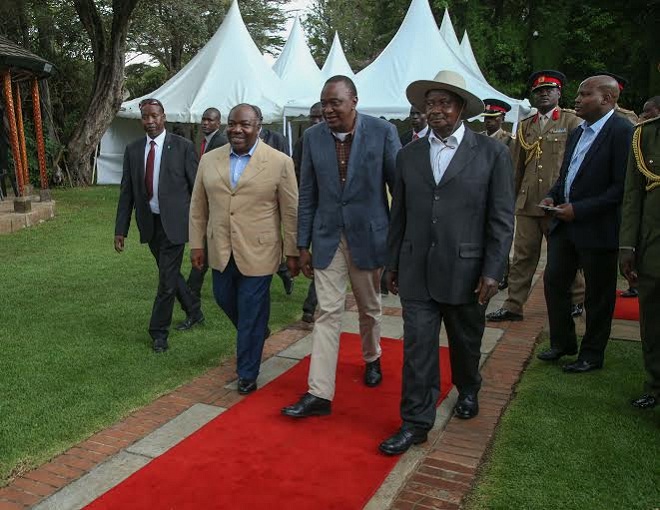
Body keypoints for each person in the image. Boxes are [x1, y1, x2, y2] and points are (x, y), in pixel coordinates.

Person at [378, 70, 514, 455]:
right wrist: (392, 263)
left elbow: (502, 218)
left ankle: (468, 388)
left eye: (443, 103)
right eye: (430, 103)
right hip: (417, 270)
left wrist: (493, 270)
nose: (435, 110)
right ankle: (415, 422)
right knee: (417, 350)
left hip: (467, 271)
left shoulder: (492, 153)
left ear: (461, 109)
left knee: (465, 344)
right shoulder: (408, 155)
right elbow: (399, 214)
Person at [281, 75, 401, 418]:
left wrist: (396, 243)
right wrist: (302, 243)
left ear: (354, 101)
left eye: (336, 102)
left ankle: (372, 356)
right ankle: (319, 392)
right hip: (328, 237)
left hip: (369, 236)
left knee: (369, 307)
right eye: (324, 102)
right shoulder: (312, 138)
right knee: (327, 312)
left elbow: (399, 189)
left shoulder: (382, 132)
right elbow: (307, 195)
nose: (328, 109)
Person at [189, 104, 299, 395]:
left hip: (260, 250)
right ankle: (256, 332)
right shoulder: (209, 160)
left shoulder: (279, 162)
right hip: (220, 248)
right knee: (223, 297)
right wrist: (197, 244)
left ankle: (247, 371)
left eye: (245, 124)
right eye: (233, 124)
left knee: (250, 310)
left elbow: (290, 211)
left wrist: (293, 252)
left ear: (258, 126)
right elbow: (198, 206)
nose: (237, 129)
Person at [538, 75, 633, 372]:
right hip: (565, 226)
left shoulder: (622, 131)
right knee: (554, 281)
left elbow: (621, 188)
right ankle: (563, 343)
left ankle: (591, 355)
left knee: (598, 295)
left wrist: (578, 210)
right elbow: (567, 173)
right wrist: (553, 196)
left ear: (607, 99)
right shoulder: (579, 131)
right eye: (578, 94)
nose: (576, 100)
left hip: (598, 228)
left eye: (585, 94)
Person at [487, 70, 585, 323]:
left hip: (559, 202)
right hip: (528, 201)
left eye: (548, 90)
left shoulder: (571, 121)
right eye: (538, 91)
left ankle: (576, 300)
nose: (543, 94)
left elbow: (579, 163)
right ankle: (513, 305)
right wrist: (510, 199)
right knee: (522, 256)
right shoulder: (526, 126)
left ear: (559, 93)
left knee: (564, 254)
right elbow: (517, 166)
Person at [114, 98, 203, 353]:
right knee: (171, 273)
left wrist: (199, 224)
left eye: (155, 116)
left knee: (166, 279)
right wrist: (121, 229)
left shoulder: (183, 147)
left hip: (175, 224)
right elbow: (126, 193)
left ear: (164, 117)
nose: (150, 121)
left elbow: (196, 189)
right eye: (145, 117)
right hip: (150, 224)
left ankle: (158, 332)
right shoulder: (133, 150)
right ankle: (194, 310)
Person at [619, 113, 660, 409]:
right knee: (653, 319)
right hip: (653, 245)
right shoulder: (644, 135)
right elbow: (633, 196)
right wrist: (627, 246)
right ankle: (655, 384)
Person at [186, 107, 228, 303]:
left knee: (207, 247)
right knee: (203, 246)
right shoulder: (201, 141)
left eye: (210, 120)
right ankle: (192, 288)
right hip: (204, 202)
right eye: (203, 119)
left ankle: (192, 289)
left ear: (218, 123)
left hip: (216, 205)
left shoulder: (222, 143)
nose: (205, 123)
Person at [252, 105, 295, 296]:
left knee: (270, 240)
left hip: (273, 198)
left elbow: (285, 168)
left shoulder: (276, 138)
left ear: (261, 120)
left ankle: (281, 271)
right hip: (251, 198)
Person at [292, 102, 324, 324]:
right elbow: (296, 170)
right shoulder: (305, 141)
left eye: (319, 117)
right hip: (308, 205)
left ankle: (310, 305)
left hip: (330, 212)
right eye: (313, 117)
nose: (316, 121)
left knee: (323, 258)